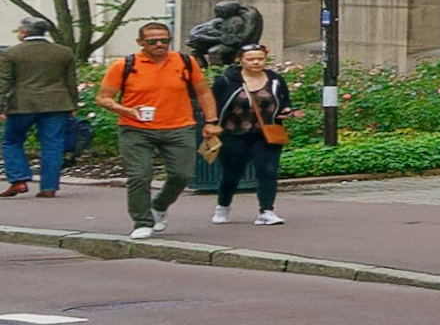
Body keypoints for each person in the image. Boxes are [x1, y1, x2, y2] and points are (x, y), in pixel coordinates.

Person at [101, 21, 206, 237]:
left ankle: (159, 205)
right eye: (152, 41)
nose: (159, 44)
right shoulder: (125, 65)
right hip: (136, 129)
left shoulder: (185, 62)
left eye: (164, 40)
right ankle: (142, 222)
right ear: (141, 43)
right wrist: (127, 110)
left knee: (182, 175)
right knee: (140, 175)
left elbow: (203, 92)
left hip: (179, 126)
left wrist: (212, 121)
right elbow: (103, 98)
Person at [203, 43, 293, 226]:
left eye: (260, 59)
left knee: (267, 171)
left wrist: (287, 111)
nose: (256, 62)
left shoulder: (275, 80)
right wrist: (211, 124)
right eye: (250, 59)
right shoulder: (227, 80)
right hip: (234, 134)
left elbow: (285, 101)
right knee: (231, 173)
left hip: (266, 134)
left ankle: (266, 211)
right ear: (240, 60)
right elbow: (212, 104)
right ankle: (223, 206)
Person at [3, 17, 87, 195]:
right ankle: (49, 187)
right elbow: (71, 81)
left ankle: (18, 179)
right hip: (57, 103)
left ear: (24, 32)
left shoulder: (11, 53)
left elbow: (4, 81)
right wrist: (73, 103)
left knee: (12, 141)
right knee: (53, 145)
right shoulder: (63, 52)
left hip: (22, 104)